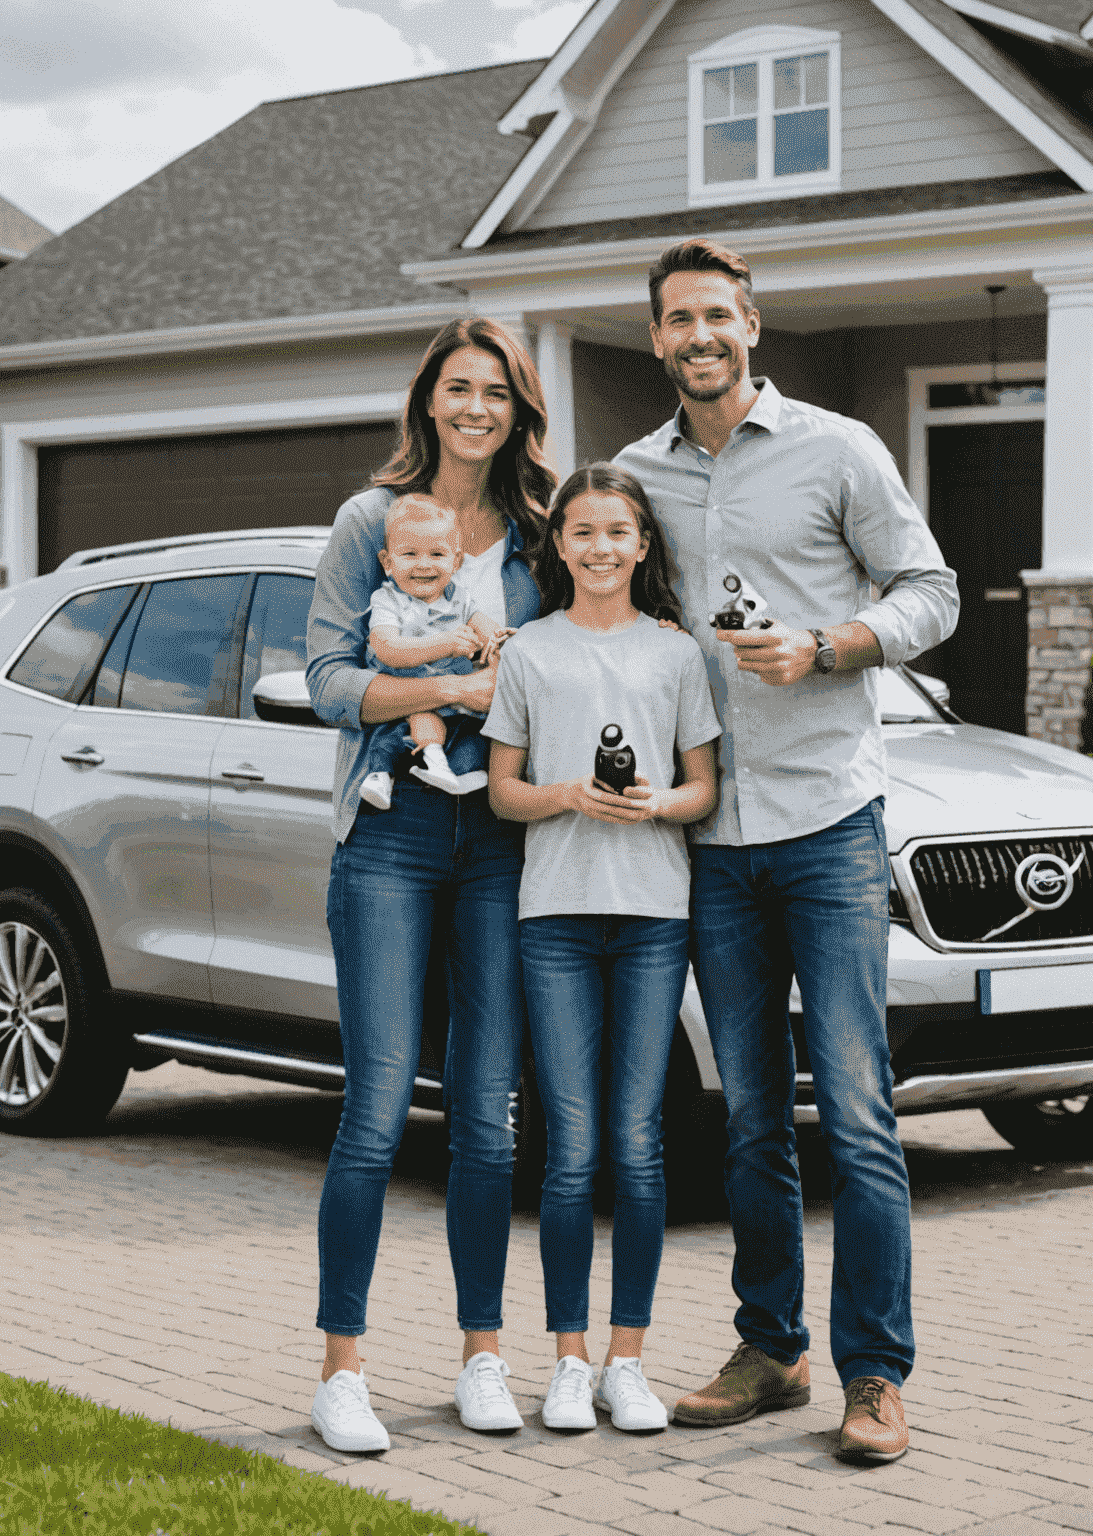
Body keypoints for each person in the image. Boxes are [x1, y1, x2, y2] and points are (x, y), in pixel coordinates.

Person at [614, 238, 959, 1463]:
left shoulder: (839, 449)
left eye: (718, 315)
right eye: (677, 320)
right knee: (751, 1114)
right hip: (710, 837)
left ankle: (876, 1376)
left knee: (857, 1111)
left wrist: (828, 644)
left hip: (826, 824)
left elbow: (932, 590)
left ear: (750, 325)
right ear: (655, 339)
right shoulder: (636, 477)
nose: (699, 336)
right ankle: (772, 1348)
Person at [304, 317, 556, 1454]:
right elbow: (323, 678)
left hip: (501, 838)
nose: (475, 408)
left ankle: (483, 1358)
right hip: (396, 830)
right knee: (374, 1106)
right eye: (458, 388)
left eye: (495, 391)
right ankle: (342, 1370)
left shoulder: (541, 534)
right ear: (429, 400)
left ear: (518, 407)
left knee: (490, 1120)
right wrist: (449, 691)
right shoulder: (373, 520)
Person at [484, 464, 721, 1434]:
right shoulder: (530, 653)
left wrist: (656, 802)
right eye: (581, 533)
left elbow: (700, 787)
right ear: (560, 545)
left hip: (655, 916)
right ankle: (569, 1361)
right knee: (572, 1150)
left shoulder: (676, 655)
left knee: (640, 1145)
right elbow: (503, 791)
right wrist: (569, 795)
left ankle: (631, 1359)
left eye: (618, 533)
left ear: (643, 545)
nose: (600, 550)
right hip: (558, 921)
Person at [358, 494, 513, 808]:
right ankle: (383, 775)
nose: (424, 564)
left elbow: (485, 627)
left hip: (459, 706)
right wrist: (444, 644)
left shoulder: (460, 598)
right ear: (388, 563)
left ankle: (463, 771)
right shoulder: (389, 601)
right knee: (404, 731)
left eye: (437, 554)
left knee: (476, 733)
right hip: (410, 694)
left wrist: (502, 642)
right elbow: (388, 649)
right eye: (410, 554)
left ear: (455, 562)